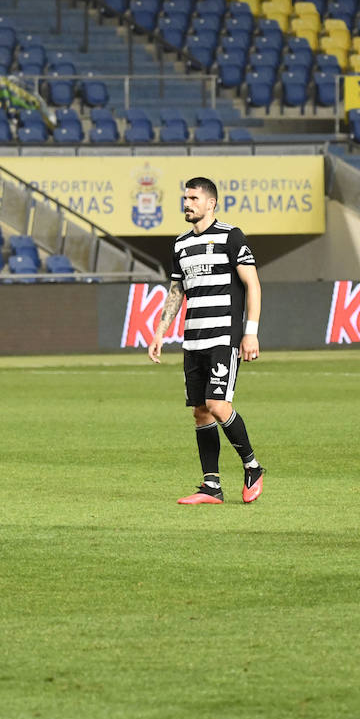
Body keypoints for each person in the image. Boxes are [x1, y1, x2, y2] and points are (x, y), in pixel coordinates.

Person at [148, 177, 265, 505]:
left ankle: (252, 466)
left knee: (217, 404)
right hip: (193, 340)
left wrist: (250, 331)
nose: (187, 204)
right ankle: (211, 485)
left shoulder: (231, 236)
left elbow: (252, 284)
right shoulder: (180, 244)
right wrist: (160, 331)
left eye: (194, 198)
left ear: (211, 203)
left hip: (222, 336)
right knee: (200, 411)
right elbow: (176, 291)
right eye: (185, 198)